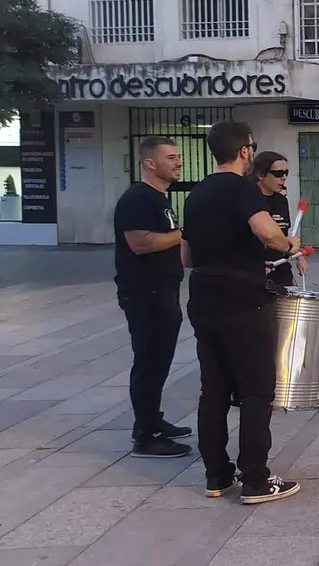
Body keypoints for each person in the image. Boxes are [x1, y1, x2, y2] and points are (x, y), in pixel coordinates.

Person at [182, 121, 301, 505]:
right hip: (241, 298)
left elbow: (186, 256)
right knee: (255, 390)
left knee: (213, 389)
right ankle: (255, 479)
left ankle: (216, 475)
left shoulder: (197, 192)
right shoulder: (242, 189)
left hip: (202, 293)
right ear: (245, 152)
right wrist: (287, 244)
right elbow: (267, 234)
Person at [113, 136, 193, 459]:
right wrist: (187, 232)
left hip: (164, 289)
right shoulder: (137, 199)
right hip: (145, 292)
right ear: (150, 163)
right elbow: (141, 243)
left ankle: (152, 420)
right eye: (171, 157)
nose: (178, 162)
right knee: (148, 361)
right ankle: (146, 436)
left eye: (178, 156)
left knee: (160, 361)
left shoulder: (160, 198)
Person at [252, 151, 308, 289]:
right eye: (278, 173)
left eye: (286, 173)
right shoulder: (249, 199)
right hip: (255, 271)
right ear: (260, 174)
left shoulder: (281, 200)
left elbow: (285, 234)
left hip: (280, 266)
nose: (283, 178)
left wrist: (299, 255)